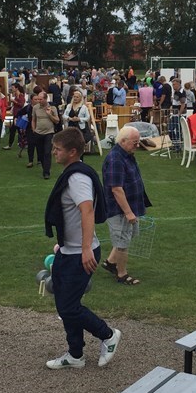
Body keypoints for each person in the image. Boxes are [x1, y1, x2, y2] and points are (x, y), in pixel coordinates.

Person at [43, 127, 121, 369]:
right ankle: (75, 355)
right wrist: (64, 242)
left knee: (68, 307)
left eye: (58, 149)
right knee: (65, 304)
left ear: (72, 152)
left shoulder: (77, 178)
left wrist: (86, 248)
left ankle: (108, 335)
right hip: (69, 249)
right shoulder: (72, 173)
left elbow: (87, 211)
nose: (54, 152)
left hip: (80, 252)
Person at [101, 126, 151, 286]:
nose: (137, 145)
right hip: (119, 209)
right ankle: (122, 274)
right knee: (122, 243)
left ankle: (110, 263)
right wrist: (128, 212)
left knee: (126, 237)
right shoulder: (116, 159)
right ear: (123, 141)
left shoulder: (126, 154)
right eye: (134, 142)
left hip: (129, 205)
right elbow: (116, 189)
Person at [30, 90, 60, 179]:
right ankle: (44, 168)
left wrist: (49, 114)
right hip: (38, 133)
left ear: (46, 99)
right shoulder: (35, 108)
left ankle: (46, 172)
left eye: (41, 99)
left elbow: (57, 121)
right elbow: (33, 120)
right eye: (38, 99)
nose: (39, 101)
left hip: (49, 133)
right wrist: (34, 130)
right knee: (40, 153)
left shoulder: (52, 108)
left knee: (47, 152)